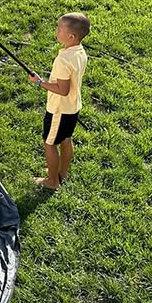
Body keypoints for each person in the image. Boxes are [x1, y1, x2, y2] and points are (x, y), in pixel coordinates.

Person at [27, 13, 90, 190]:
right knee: (66, 139)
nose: (56, 31)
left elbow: (63, 90)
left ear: (71, 36)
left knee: (49, 143)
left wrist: (39, 82)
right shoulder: (79, 52)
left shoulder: (63, 60)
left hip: (59, 110)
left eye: (59, 29)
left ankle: (52, 181)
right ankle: (62, 172)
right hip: (73, 107)